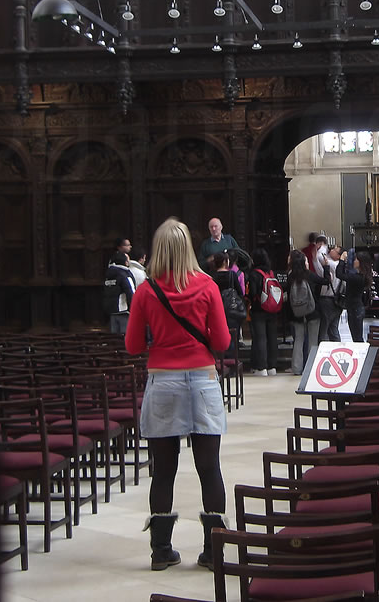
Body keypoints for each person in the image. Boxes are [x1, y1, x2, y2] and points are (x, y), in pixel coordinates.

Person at [125, 218, 231, 571]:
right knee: (209, 468)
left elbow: (133, 345)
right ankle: (213, 551)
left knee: (164, 470)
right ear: (189, 248)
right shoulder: (207, 285)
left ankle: (161, 550)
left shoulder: (146, 290)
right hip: (201, 378)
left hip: (164, 381)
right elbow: (222, 342)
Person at [285, 249, 323, 374]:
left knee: (298, 340)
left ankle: (296, 368)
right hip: (312, 312)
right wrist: (326, 268)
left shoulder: (290, 277)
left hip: (296, 313)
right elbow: (325, 281)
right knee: (313, 340)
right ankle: (311, 367)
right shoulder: (309, 275)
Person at [244, 248, 281, 376]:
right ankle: (272, 366)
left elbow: (253, 293)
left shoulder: (254, 274)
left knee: (260, 338)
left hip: (259, 310)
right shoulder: (271, 272)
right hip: (272, 309)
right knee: (272, 337)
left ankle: (261, 367)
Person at [336, 249, 373, 343]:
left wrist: (341, 260)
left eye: (356, 259)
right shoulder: (361, 276)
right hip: (355, 307)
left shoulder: (358, 278)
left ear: (361, 262)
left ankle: (362, 354)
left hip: (355, 308)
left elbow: (339, 274)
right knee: (356, 335)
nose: (354, 261)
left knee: (357, 336)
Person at [103, 251, 136, 335]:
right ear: (125, 262)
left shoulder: (109, 274)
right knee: (126, 337)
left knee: (114, 338)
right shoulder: (125, 274)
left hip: (111, 310)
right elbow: (131, 292)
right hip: (123, 310)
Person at [317, 246, 344, 342]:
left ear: (338, 256)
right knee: (333, 329)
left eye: (334, 250)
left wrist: (321, 246)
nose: (331, 250)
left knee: (324, 328)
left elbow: (318, 258)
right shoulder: (340, 266)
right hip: (337, 300)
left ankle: (322, 350)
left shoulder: (333, 265)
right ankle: (337, 347)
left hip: (327, 299)